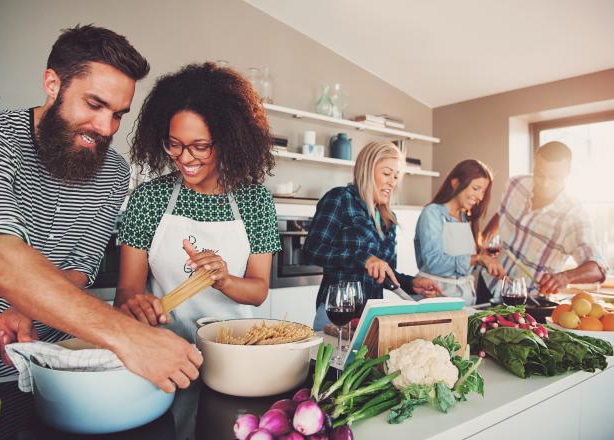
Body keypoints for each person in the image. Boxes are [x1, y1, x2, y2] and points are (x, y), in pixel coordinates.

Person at [0, 25, 202, 392]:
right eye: (94, 105)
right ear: (52, 83)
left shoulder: (113, 170)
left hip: (59, 363)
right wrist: (129, 337)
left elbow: (79, 267)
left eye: (118, 114)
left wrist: (28, 306)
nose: (104, 127)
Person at [114, 63, 280, 344]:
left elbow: (259, 291)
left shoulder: (255, 201)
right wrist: (138, 308)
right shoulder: (149, 199)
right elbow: (127, 291)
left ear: (229, 141)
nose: (185, 158)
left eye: (200, 146)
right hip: (166, 345)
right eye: (174, 144)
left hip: (234, 346)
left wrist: (224, 279)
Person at [304, 141, 442, 330]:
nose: (392, 182)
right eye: (386, 173)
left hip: (372, 316)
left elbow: (384, 273)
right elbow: (312, 250)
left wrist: (411, 284)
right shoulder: (340, 199)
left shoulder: (389, 218)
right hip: (337, 314)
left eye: (396, 176)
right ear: (367, 170)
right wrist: (363, 258)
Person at [481, 141, 608, 296]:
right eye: (540, 174)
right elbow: (502, 214)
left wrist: (565, 277)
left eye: (554, 177)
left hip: (528, 300)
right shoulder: (515, 184)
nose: (545, 183)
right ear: (534, 165)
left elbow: (598, 269)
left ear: (568, 172)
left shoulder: (574, 215)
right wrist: (483, 245)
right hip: (489, 282)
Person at [414, 159, 505, 305]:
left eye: (483, 191)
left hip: (465, 299)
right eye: (476, 188)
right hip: (435, 297)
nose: (480, 197)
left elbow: (462, 264)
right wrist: (477, 259)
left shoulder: (464, 218)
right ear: (455, 183)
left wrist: (483, 259)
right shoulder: (432, 213)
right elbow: (434, 263)